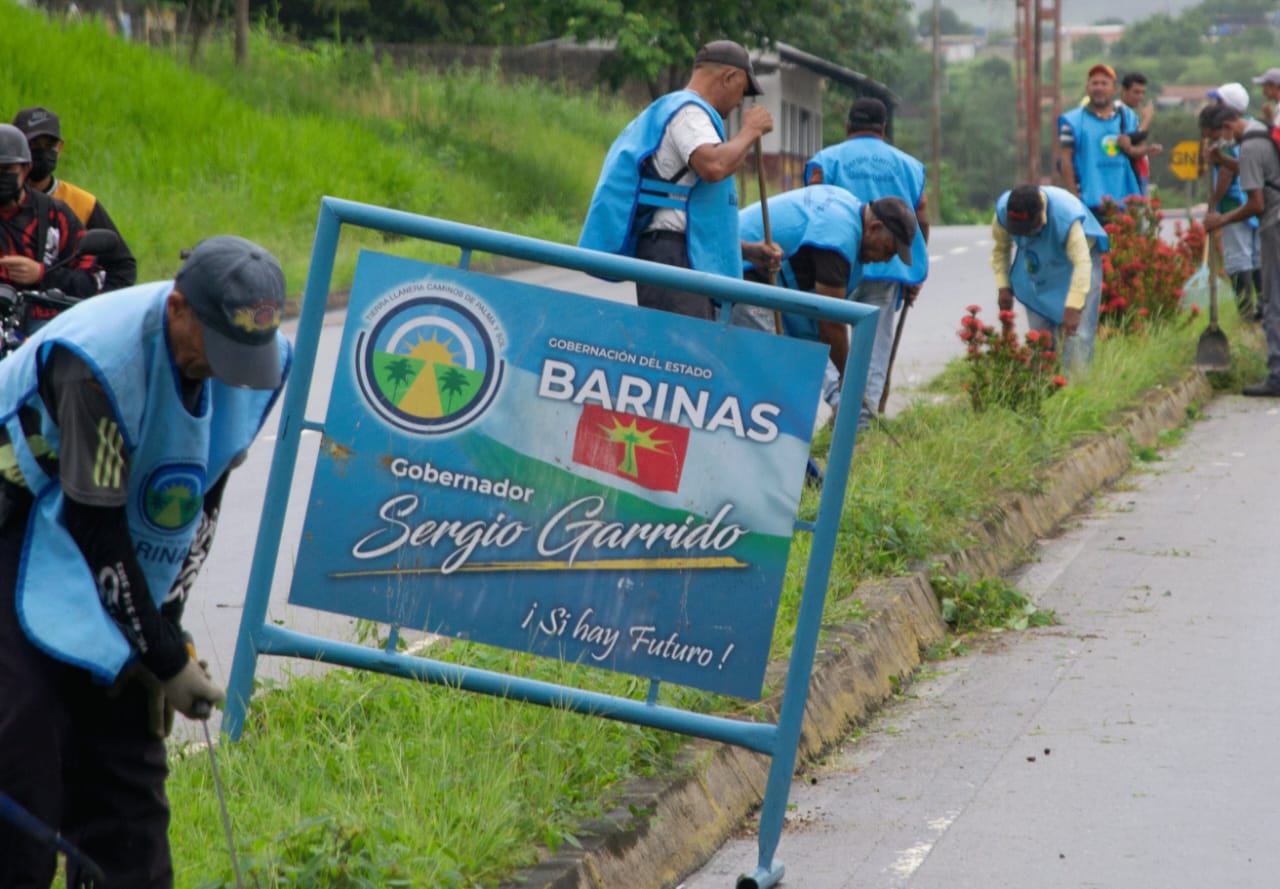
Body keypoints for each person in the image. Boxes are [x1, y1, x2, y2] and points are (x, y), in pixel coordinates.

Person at [0, 235, 292, 887]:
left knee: (127, 768)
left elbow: (197, 499)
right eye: (218, 350)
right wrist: (163, 656)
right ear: (180, 307)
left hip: (101, 521)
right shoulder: (98, 361)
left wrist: (168, 629)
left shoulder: (251, 361)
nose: (226, 370)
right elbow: (96, 532)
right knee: (28, 743)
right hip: (20, 513)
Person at [579, 40, 777, 319]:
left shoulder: (676, 110)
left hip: (679, 254)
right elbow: (714, 165)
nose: (737, 103)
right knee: (683, 357)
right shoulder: (689, 112)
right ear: (729, 77)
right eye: (741, 92)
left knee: (689, 357)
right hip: (673, 259)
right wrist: (751, 130)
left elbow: (684, 209)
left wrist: (745, 250)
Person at [732, 186, 916, 420]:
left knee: (787, 379)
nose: (886, 260)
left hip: (763, 281)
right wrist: (850, 379)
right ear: (874, 227)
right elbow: (830, 321)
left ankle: (783, 447)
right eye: (889, 250)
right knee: (772, 377)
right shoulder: (838, 237)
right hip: (742, 271)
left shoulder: (849, 209)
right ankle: (765, 446)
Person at [803, 96, 929, 424]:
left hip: (832, 266)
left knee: (826, 328)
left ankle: (839, 399)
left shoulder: (824, 161)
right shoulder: (910, 166)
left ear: (847, 127)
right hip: (887, 268)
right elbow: (921, 219)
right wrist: (914, 273)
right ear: (884, 129)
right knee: (875, 343)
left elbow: (811, 203)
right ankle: (864, 414)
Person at [12, 106, 137, 291]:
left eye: (49, 146)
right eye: (34, 145)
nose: (42, 152)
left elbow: (122, 268)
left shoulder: (82, 204)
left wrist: (94, 308)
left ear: (60, 148)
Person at [1201, 104, 1280, 395]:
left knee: (1273, 302)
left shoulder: (1248, 147)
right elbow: (1257, 173)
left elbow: (1256, 203)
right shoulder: (1261, 131)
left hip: (1275, 222)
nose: (1218, 142)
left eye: (1216, 137)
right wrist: (1222, 159)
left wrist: (1220, 219)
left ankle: (1276, 376)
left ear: (1227, 127)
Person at [991, 184, 1109, 376]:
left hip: (1079, 263)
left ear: (1040, 215)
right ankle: (1045, 390)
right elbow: (1000, 249)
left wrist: (1073, 307)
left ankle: (1076, 392)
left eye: (1029, 230)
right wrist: (1003, 286)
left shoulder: (1066, 216)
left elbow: (1081, 263)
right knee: (1040, 338)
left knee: (1077, 336)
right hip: (1038, 265)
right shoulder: (1004, 211)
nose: (1025, 235)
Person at [0, 122, 103, 299]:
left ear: (26, 169)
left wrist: (41, 274)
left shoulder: (55, 216)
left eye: (7, 170)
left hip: (40, 319)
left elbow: (92, 281)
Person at [1203, 85, 1263, 320]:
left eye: (1219, 102)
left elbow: (1229, 174)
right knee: (1256, 255)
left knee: (1238, 257)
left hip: (1235, 203)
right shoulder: (1252, 125)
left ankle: (1247, 312)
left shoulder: (1235, 135)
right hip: (1252, 203)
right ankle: (1262, 310)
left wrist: (1214, 206)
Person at [1058, 64, 1143, 222]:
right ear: (1087, 87)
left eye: (1104, 83)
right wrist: (1074, 199)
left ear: (1114, 88)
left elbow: (1138, 154)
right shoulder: (1072, 122)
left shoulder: (1129, 118)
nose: (1099, 88)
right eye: (1094, 83)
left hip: (1124, 203)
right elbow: (1066, 160)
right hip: (1089, 204)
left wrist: (1133, 147)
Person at [1117, 72, 1163, 194]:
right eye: (1136, 92)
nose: (1140, 97)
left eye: (1143, 93)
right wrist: (1147, 119)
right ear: (1124, 91)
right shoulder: (1118, 111)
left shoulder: (1130, 113)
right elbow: (1131, 139)